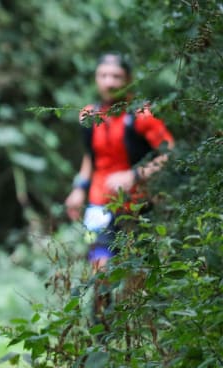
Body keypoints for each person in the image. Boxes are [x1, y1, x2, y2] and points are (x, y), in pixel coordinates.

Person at [64, 52, 174, 326]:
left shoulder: (141, 114)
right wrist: (79, 187)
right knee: (99, 268)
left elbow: (168, 152)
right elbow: (91, 156)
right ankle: (100, 339)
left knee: (137, 274)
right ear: (96, 79)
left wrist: (135, 174)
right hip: (98, 202)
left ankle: (135, 337)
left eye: (116, 76)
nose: (109, 82)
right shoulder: (88, 115)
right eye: (103, 75)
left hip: (137, 205)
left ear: (128, 80)